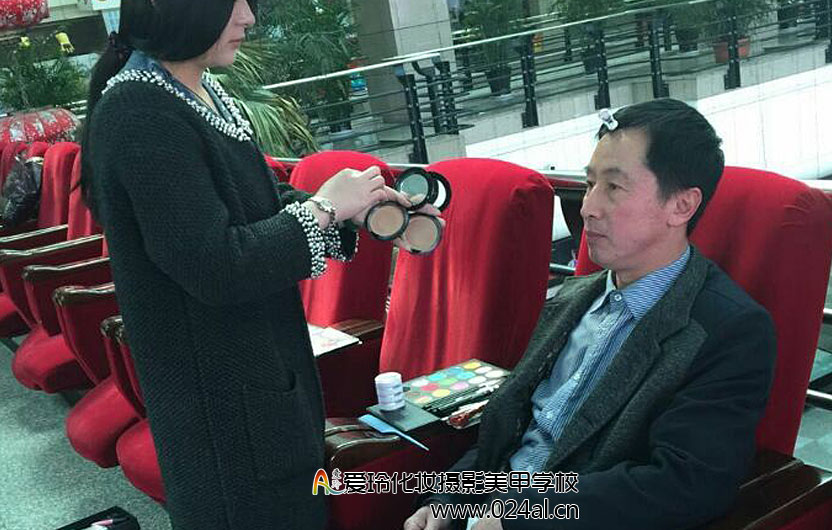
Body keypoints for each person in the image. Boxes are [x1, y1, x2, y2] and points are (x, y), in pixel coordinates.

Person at [79, 1, 432, 528]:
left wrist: (358, 211)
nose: (247, 18)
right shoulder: (139, 114)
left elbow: (257, 206)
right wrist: (324, 207)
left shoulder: (196, 92)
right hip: (221, 413)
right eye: (233, 3)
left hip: (256, 387)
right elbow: (216, 265)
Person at [404, 98, 776, 530]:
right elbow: (511, 433)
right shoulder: (573, 298)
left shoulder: (727, 330)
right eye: (590, 184)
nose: (587, 207)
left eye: (614, 188)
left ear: (681, 206)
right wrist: (449, 500)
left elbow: (685, 483)